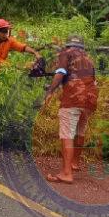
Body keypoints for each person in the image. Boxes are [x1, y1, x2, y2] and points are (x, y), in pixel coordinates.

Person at [44, 35, 98, 184]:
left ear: (68, 46)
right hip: (90, 99)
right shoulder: (89, 59)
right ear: (82, 47)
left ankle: (66, 173)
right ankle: (74, 163)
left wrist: (50, 91)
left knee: (67, 134)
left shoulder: (65, 54)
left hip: (73, 98)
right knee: (80, 131)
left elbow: (60, 73)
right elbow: (95, 80)